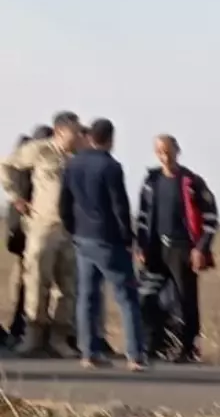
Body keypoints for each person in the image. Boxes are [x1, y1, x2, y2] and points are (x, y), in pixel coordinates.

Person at [59, 117, 146, 371]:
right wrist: (128, 238)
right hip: (108, 239)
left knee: (87, 297)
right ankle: (135, 354)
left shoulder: (73, 165)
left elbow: (64, 203)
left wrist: (72, 227)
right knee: (127, 297)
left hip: (82, 238)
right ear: (111, 139)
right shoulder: (111, 167)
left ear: (89, 137)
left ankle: (89, 352)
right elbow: (119, 206)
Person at [0, 114, 81, 356]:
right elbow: (7, 165)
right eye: (73, 132)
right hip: (42, 226)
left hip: (70, 229)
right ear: (60, 131)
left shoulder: (78, 157)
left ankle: (59, 338)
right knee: (36, 281)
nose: (77, 136)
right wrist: (15, 197)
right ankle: (33, 336)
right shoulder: (40, 151)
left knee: (69, 286)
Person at [136, 135, 218, 362]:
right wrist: (141, 246)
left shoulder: (192, 182)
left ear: (177, 151)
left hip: (183, 250)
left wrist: (200, 248)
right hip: (155, 249)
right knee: (148, 297)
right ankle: (153, 345)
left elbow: (211, 219)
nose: (165, 156)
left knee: (185, 301)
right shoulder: (150, 182)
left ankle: (188, 348)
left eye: (168, 151)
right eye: (160, 152)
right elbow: (142, 217)